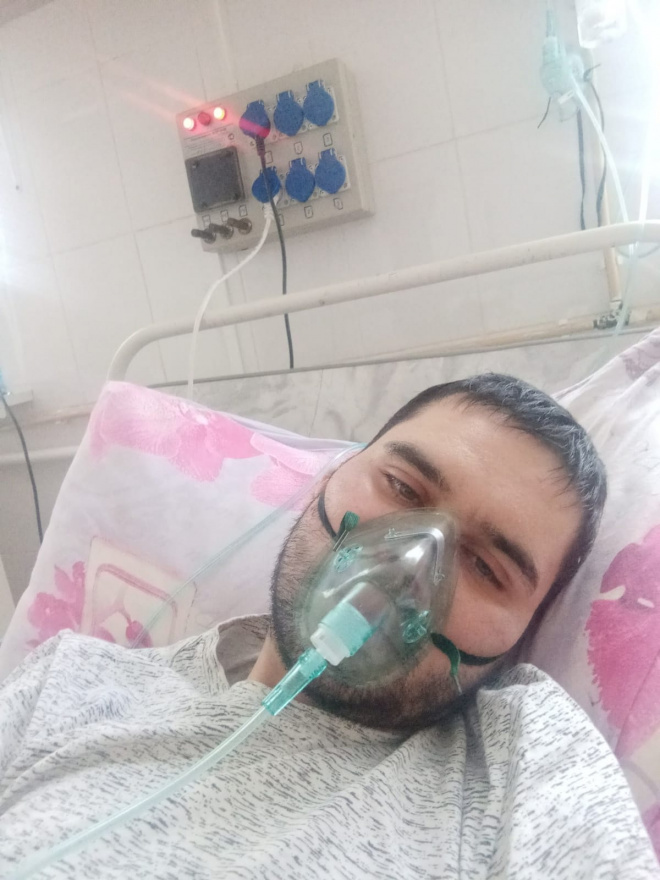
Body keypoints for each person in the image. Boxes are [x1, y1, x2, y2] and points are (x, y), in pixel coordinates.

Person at [0, 374, 657, 879]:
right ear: (328, 480)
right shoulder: (72, 681)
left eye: (487, 567)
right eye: (402, 487)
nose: (408, 566)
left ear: (523, 634)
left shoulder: (527, 770)